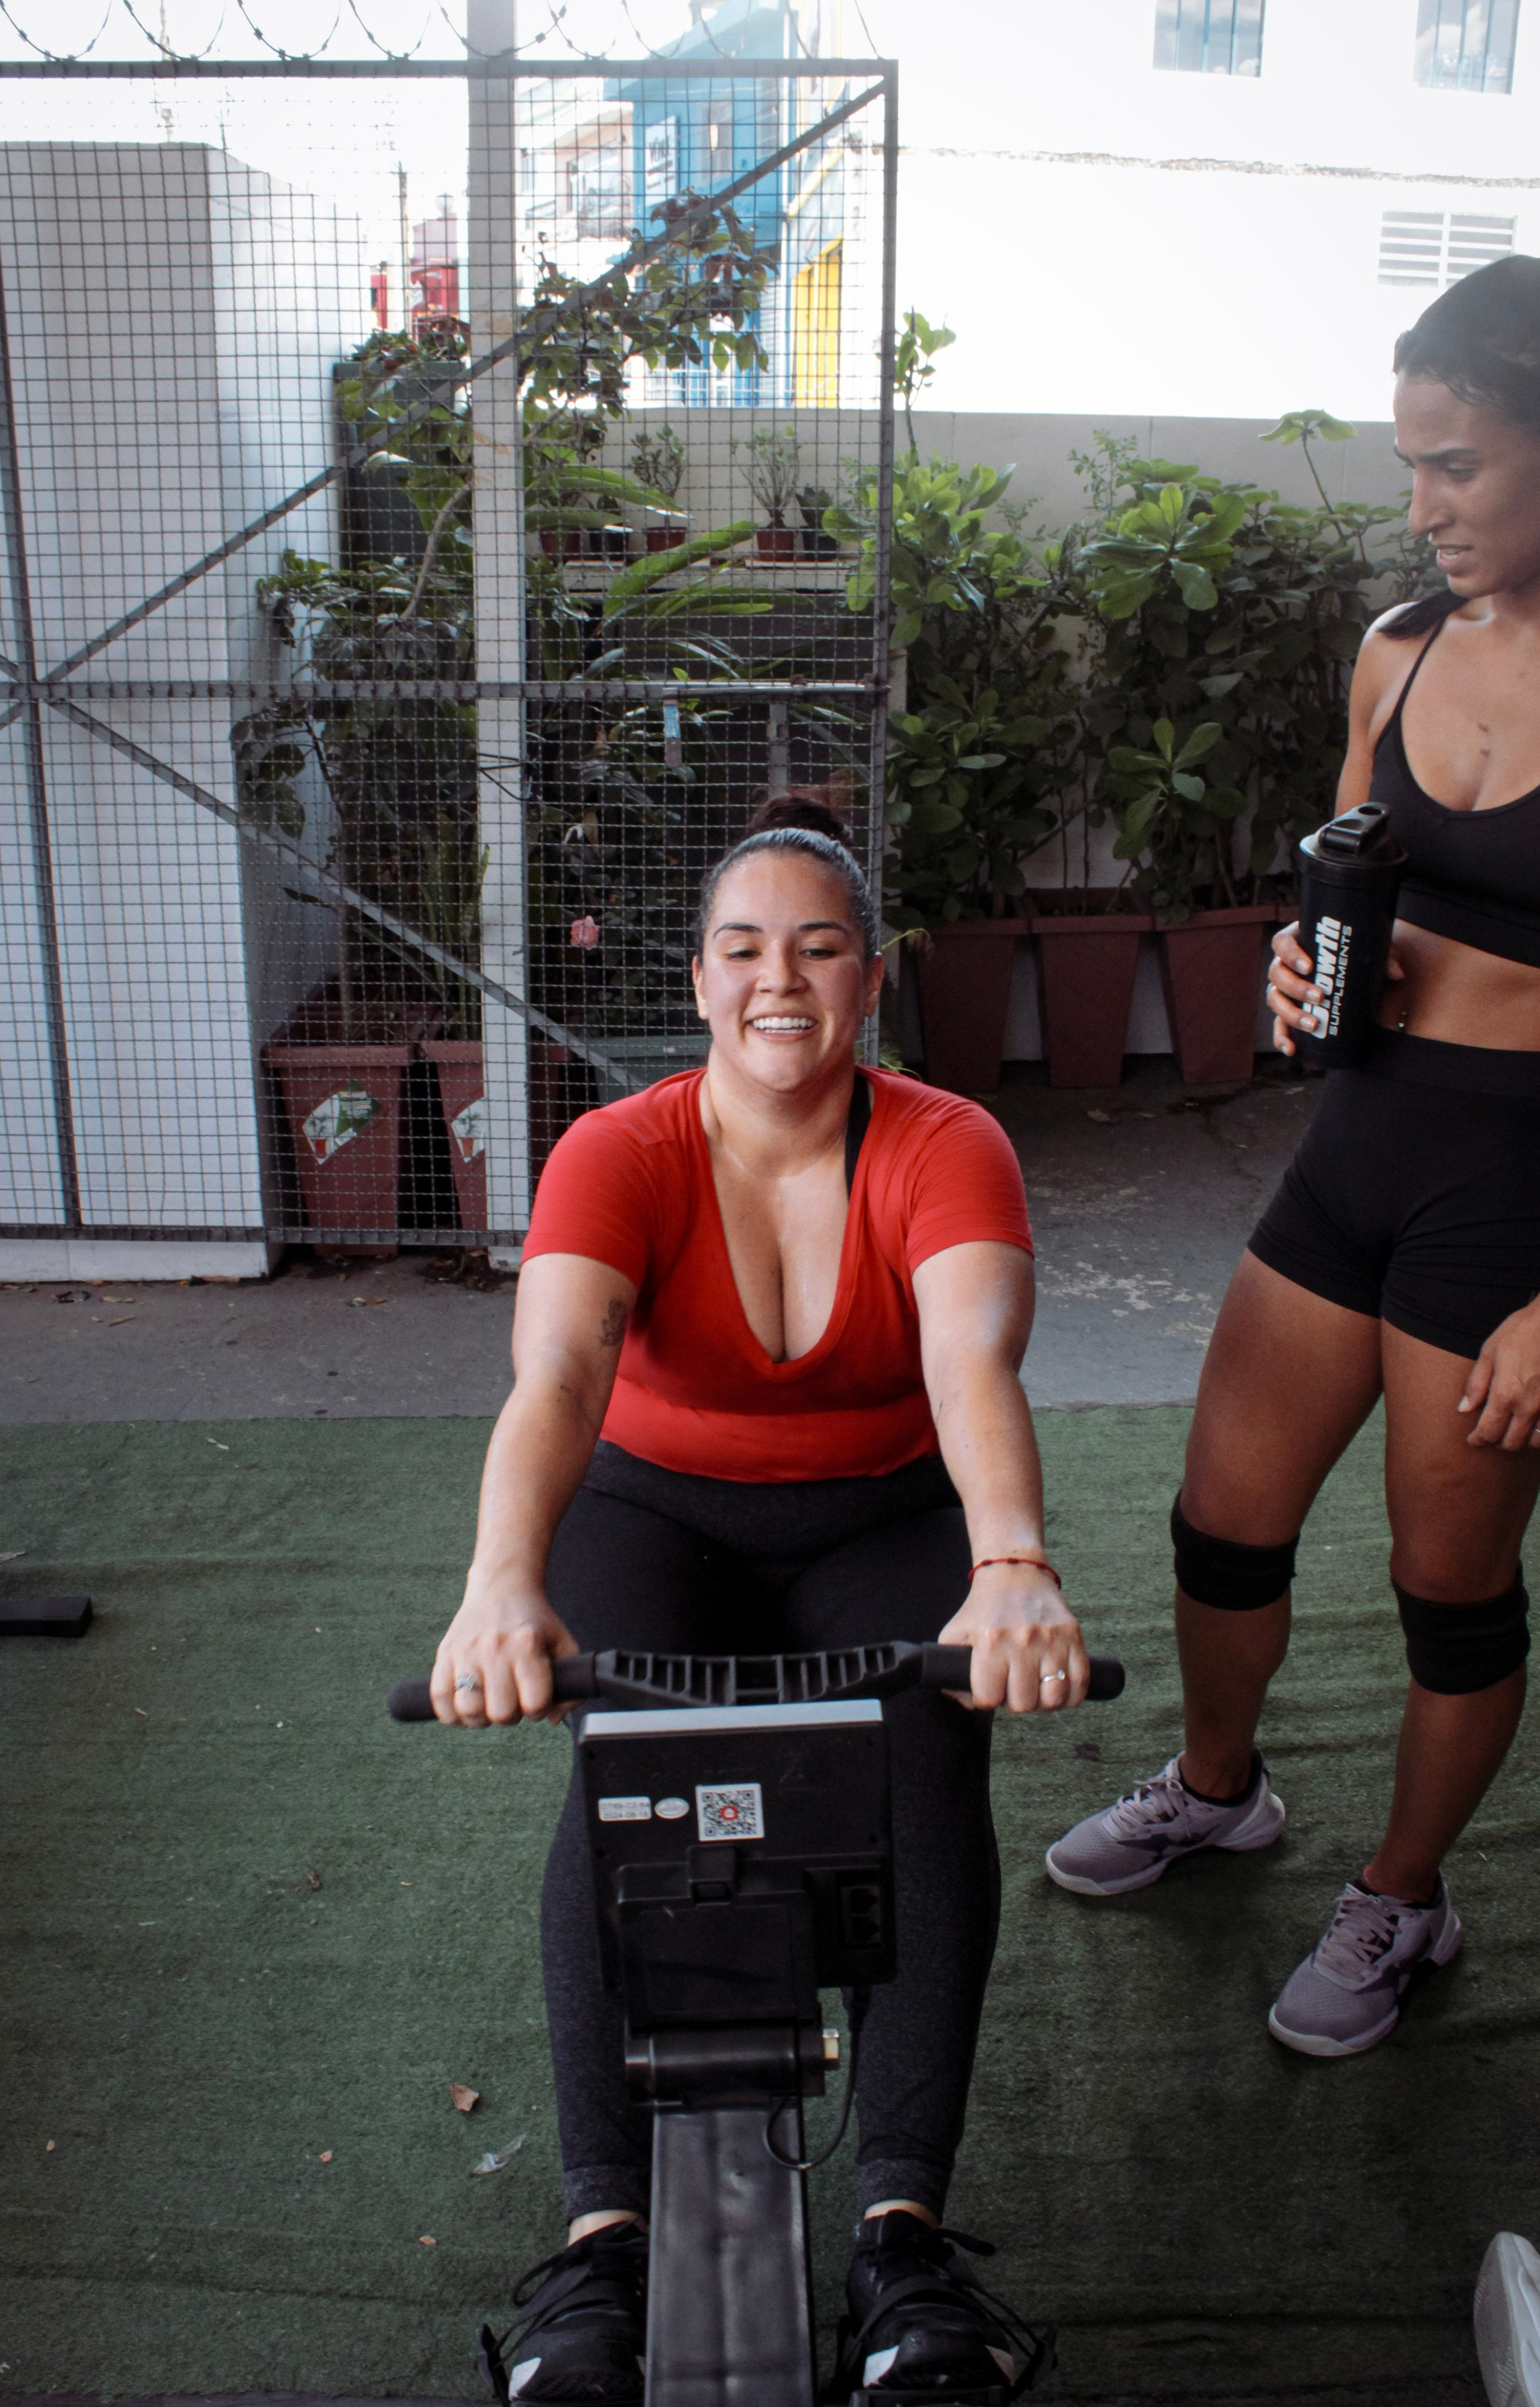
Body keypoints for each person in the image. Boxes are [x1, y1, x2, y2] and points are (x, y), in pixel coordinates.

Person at [433, 794, 1089, 2402]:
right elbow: (558, 1376)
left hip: (883, 1514)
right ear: (702, 975)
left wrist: (1009, 1565)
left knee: (928, 1759)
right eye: (742, 949)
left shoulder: (947, 1143)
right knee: (622, 1782)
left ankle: (904, 2237)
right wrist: (499, 1582)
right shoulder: (621, 1148)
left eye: (816, 948)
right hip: (657, 1515)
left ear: (871, 980)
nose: (775, 979)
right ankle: (600, 2251)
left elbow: (968, 1357)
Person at [1046, 253, 1540, 2059]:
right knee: (1223, 1519)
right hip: (1363, 1136)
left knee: (1450, 1589)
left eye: (1461, 465)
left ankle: (1403, 1897)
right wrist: (1300, 955)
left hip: (1518, 1194)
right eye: (1412, 466)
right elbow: (1359, 875)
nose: (1424, 508)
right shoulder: (1397, 652)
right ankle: (1218, 1784)